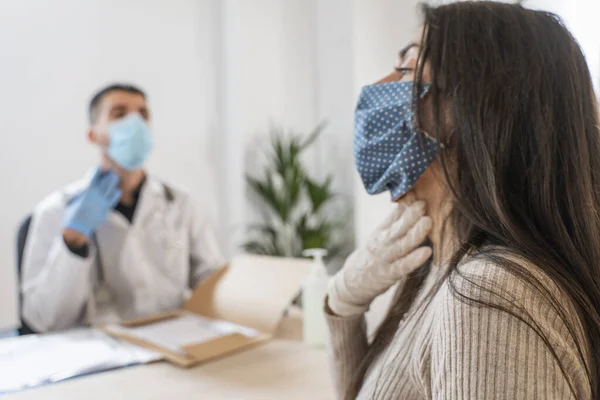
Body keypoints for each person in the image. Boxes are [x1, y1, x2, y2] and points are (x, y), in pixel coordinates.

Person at [326, 2, 599, 399]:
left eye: (408, 69)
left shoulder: (487, 297)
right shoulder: (441, 263)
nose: (381, 86)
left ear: (480, 111)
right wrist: (344, 304)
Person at [21, 84, 225, 332]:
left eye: (143, 114)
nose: (135, 123)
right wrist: (73, 241)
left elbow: (213, 283)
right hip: (99, 355)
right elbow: (42, 319)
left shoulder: (181, 205)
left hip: (173, 344)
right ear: (93, 135)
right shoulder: (56, 211)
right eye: (119, 114)